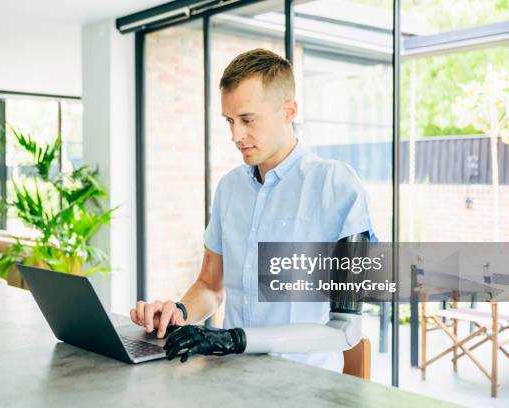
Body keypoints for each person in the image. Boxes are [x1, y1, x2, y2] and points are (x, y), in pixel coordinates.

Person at [130, 48, 376, 372]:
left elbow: (346, 330)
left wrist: (235, 339)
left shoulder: (337, 186)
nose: (235, 135)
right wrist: (178, 312)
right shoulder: (229, 188)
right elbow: (209, 286)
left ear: (289, 111)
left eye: (247, 120)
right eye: (230, 121)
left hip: (306, 385)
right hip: (233, 378)